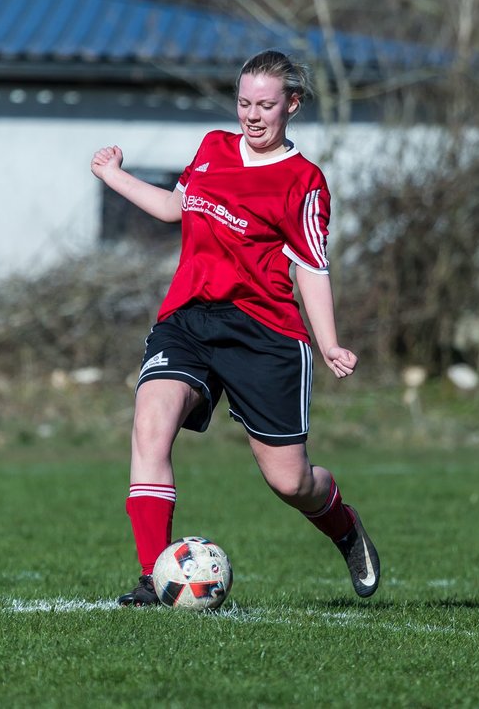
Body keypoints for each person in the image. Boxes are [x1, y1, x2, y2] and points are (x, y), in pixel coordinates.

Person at [90, 49, 380, 604]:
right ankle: (155, 580)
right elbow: (177, 208)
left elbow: (312, 268)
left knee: (290, 482)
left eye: (266, 105)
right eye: (244, 102)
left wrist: (329, 342)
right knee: (150, 427)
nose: (252, 114)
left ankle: (343, 525)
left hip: (264, 333)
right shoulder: (211, 148)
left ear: (291, 105)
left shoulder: (303, 182)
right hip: (189, 319)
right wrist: (114, 176)